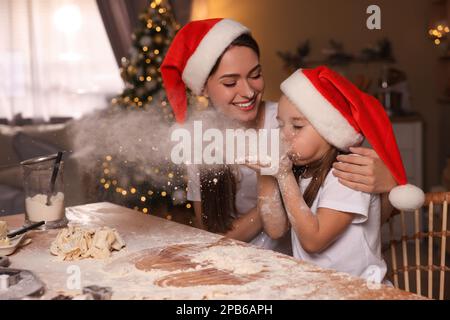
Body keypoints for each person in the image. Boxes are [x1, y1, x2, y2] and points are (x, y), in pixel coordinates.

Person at [161, 18, 397, 253]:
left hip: (299, 266)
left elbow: (365, 208)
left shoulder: (295, 119)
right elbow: (211, 236)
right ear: (203, 88)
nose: (248, 91)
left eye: (255, 75)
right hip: (236, 262)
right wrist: (272, 201)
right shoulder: (200, 141)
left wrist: (389, 182)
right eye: (230, 82)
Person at [255, 66, 424, 281]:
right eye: (280, 125)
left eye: (297, 126)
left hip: (359, 291)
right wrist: (267, 171)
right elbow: (275, 227)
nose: (284, 135)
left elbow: (314, 241)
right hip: (320, 287)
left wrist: (283, 175)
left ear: (329, 132)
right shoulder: (302, 170)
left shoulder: (346, 173)